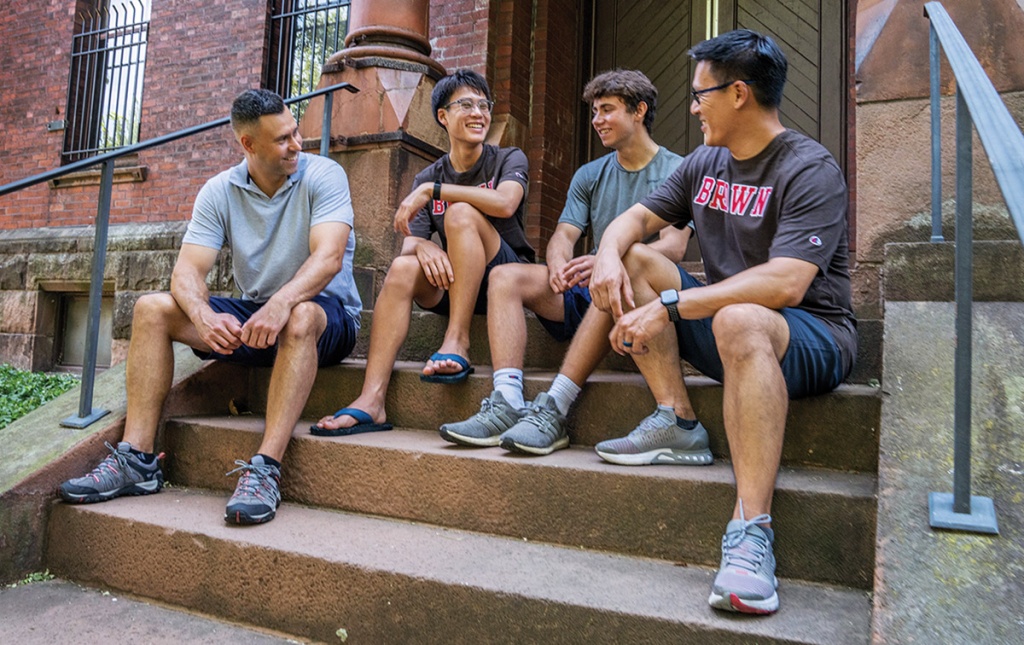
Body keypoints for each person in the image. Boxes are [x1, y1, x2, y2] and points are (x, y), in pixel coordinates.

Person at [588, 30, 856, 615]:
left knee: (737, 317)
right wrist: (609, 254)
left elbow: (787, 284)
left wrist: (669, 307)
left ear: (738, 94)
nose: (691, 106)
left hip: (811, 337)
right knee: (639, 258)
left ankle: (751, 531)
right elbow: (631, 223)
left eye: (700, 94)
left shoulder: (809, 166)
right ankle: (677, 421)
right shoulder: (705, 163)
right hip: (730, 327)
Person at [59, 89, 362, 526]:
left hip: (324, 317)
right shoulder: (220, 190)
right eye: (283, 139)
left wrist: (281, 302)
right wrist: (202, 315)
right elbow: (185, 272)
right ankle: (138, 461)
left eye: (296, 132)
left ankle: (265, 469)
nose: (297, 144)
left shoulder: (324, 175)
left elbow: (329, 257)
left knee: (299, 315)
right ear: (248, 145)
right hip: (257, 317)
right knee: (152, 308)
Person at [439, 69, 707, 462]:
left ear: (639, 112)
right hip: (590, 288)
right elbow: (564, 236)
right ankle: (508, 399)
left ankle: (555, 407)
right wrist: (559, 265)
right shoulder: (590, 174)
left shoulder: (677, 169)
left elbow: (673, 246)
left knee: (628, 262)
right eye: (594, 111)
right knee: (505, 276)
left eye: (607, 110)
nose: (597, 120)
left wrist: (607, 258)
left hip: (643, 296)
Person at [312, 69, 534, 435]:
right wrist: (425, 244)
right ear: (443, 116)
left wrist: (437, 192)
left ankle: (457, 341)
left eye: (484, 105)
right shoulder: (430, 175)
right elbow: (409, 238)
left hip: (504, 278)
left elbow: (506, 203)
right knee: (402, 268)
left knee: (461, 214)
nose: (478, 112)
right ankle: (372, 399)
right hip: (456, 280)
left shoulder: (508, 159)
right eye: (466, 104)